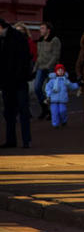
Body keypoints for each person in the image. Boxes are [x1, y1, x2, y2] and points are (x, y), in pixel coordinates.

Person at [0, 18, 33, 148]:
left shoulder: (17, 37)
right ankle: (11, 140)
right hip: (7, 82)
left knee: (23, 110)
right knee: (8, 112)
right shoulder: (3, 39)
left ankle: (26, 140)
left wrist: (21, 76)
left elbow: (24, 60)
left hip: (19, 81)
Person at [33, 22, 60, 120]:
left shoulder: (54, 40)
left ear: (48, 30)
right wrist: (35, 67)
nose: (41, 30)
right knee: (37, 87)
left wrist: (49, 65)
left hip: (50, 68)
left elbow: (56, 55)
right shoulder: (40, 41)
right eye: (40, 28)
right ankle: (44, 108)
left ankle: (53, 111)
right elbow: (39, 56)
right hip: (41, 67)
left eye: (42, 28)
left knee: (50, 90)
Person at [44, 63, 80, 128]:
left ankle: (64, 120)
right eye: (58, 70)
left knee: (62, 111)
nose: (60, 71)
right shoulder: (52, 81)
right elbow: (48, 87)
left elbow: (71, 86)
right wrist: (48, 94)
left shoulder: (65, 80)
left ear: (64, 71)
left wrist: (78, 84)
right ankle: (55, 124)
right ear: (56, 72)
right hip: (53, 99)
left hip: (62, 99)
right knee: (54, 112)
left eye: (62, 70)